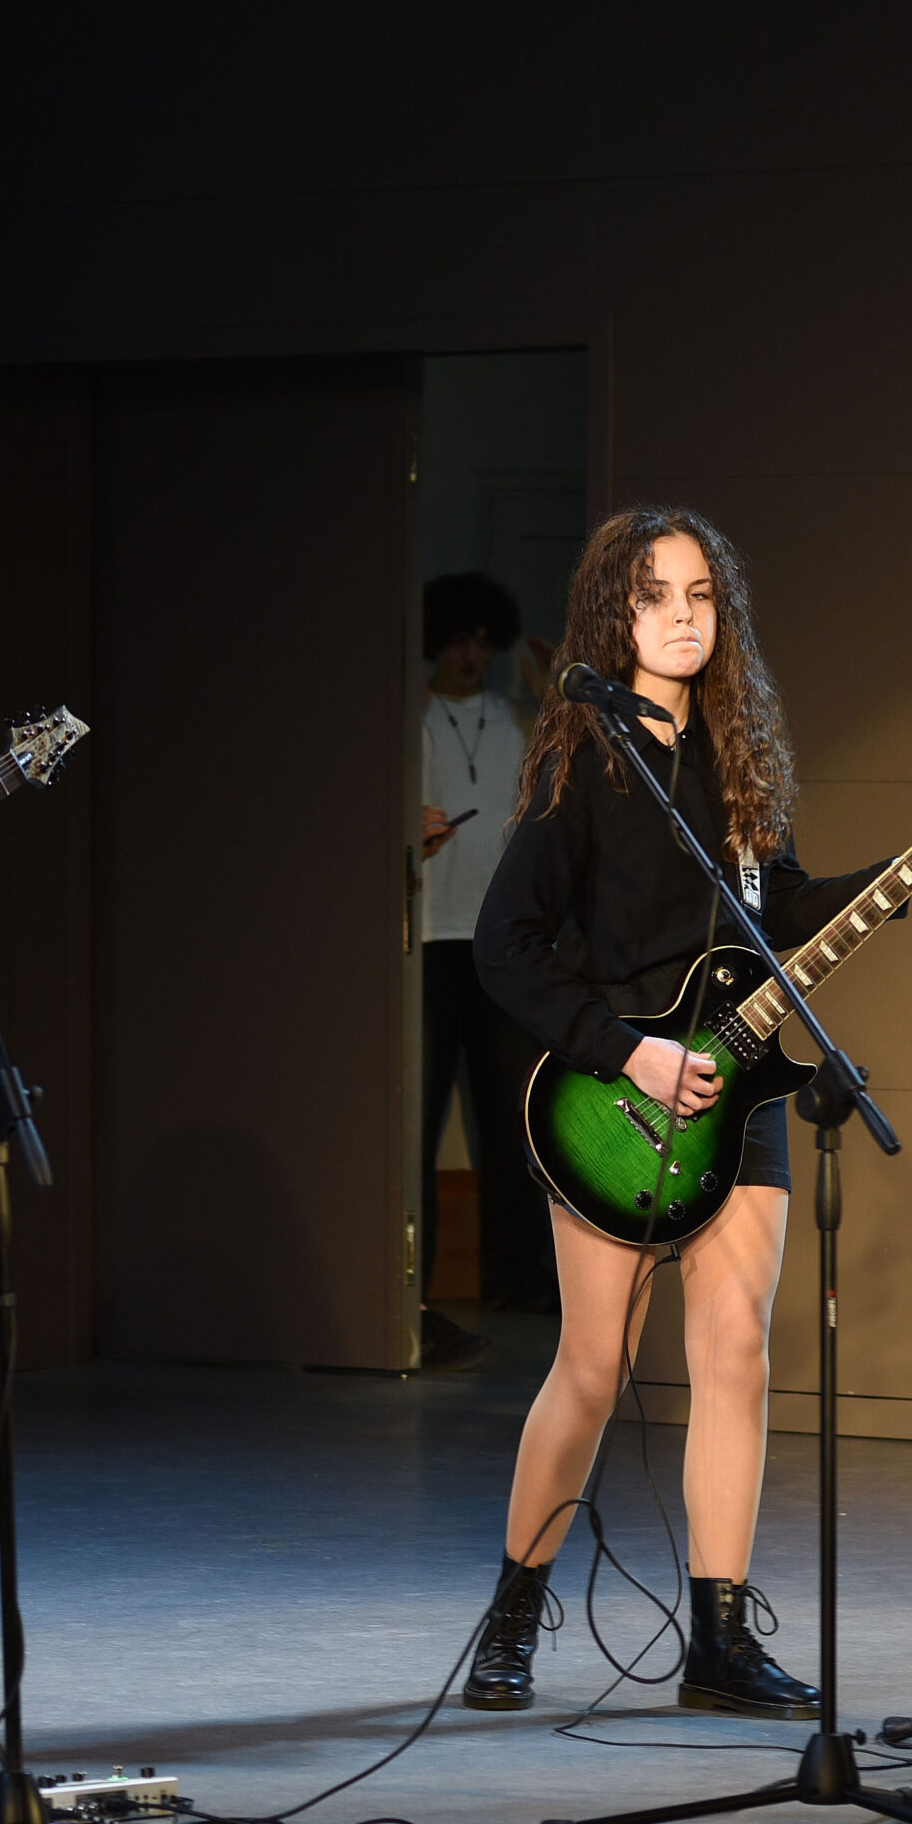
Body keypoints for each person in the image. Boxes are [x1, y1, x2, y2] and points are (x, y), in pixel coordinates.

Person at [461, 507, 912, 1715]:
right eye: (655, 595)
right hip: (613, 1096)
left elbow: (781, 907)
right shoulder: (583, 761)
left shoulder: (736, 757)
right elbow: (504, 945)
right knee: (591, 1368)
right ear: (614, 614)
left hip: (739, 1088)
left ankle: (717, 1638)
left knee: (736, 1355)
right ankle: (512, 1613)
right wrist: (629, 1051)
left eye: (701, 594)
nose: (682, 616)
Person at [418, 572, 558, 1370]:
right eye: (457, 640)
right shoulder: (409, 719)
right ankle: (412, 1290)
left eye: (481, 641)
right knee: (420, 1119)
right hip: (427, 939)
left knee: (513, 1119)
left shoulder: (515, 718)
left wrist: (551, 688)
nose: (469, 654)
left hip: (498, 944)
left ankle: (519, 1279)